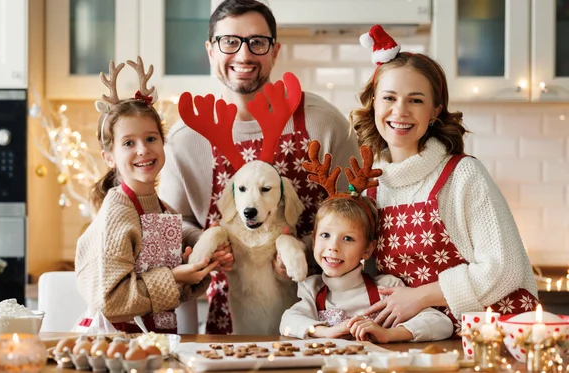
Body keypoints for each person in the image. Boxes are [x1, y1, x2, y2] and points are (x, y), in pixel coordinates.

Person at [159, 0, 361, 334]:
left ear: (275, 50)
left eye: (257, 42)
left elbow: (358, 206)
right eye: (229, 42)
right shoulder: (185, 140)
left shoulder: (322, 123)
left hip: (326, 317)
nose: (243, 55)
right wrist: (214, 245)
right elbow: (174, 223)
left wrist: (308, 251)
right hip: (232, 320)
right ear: (211, 50)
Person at [350, 25, 538, 333]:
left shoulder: (463, 175)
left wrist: (420, 297)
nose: (400, 111)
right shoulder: (372, 187)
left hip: (492, 339)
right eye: (389, 98)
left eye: (416, 100)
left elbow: (505, 271)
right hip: (417, 341)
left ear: (435, 110)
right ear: (374, 104)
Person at [75, 58, 227, 334]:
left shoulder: (162, 209)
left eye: (151, 138)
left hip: (156, 341)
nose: (143, 150)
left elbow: (167, 289)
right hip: (117, 345)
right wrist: (174, 277)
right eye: (129, 143)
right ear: (109, 157)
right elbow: (111, 300)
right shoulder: (117, 212)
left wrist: (203, 260)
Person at [280, 140, 453, 342]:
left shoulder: (385, 288)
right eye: (325, 235)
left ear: (367, 250)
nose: (333, 247)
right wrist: (326, 332)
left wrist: (388, 334)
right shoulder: (313, 288)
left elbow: (441, 323)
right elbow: (287, 321)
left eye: (348, 238)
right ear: (314, 238)